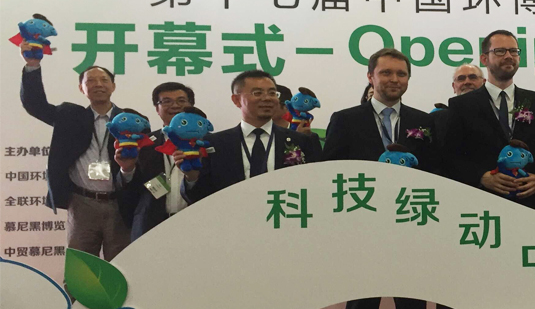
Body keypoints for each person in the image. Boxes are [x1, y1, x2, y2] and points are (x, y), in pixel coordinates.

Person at [20, 38, 131, 260]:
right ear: (82, 88)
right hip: (82, 204)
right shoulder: (68, 115)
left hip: (121, 204)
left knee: (122, 265)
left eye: (104, 80)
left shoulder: (131, 120)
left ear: (113, 86)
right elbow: (35, 105)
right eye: (91, 81)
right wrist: (32, 65)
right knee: (81, 267)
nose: (98, 84)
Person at [445, 30, 535, 215]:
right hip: (481, 206)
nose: (508, 56)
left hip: (534, 207)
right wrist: (482, 177)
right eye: (500, 51)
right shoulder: (461, 105)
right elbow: (449, 156)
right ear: (484, 58)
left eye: (513, 51)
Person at [181, 70, 321, 204]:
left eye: (272, 93)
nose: (267, 98)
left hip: (283, 213)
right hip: (232, 217)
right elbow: (199, 199)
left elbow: (316, 188)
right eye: (257, 93)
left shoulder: (301, 141)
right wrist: (192, 176)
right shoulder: (214, 144)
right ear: (236, 100)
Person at [324, 48, 440, 176]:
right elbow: (329, 170)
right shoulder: (344, 120)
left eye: (401, 74)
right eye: (386, 73)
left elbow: (433, 169)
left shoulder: (423, 121)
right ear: (370, 77)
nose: (394, 79)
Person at [116, 83, 196, 240]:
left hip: (195, 224)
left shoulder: (209, 144)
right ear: (157, 109)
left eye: (181, 101)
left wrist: (193, 178)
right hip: (151, 226)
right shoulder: (143, 144)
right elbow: (129, 195)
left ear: (191, 107)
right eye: (166, 101)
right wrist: (127, 170)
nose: (175, 106)